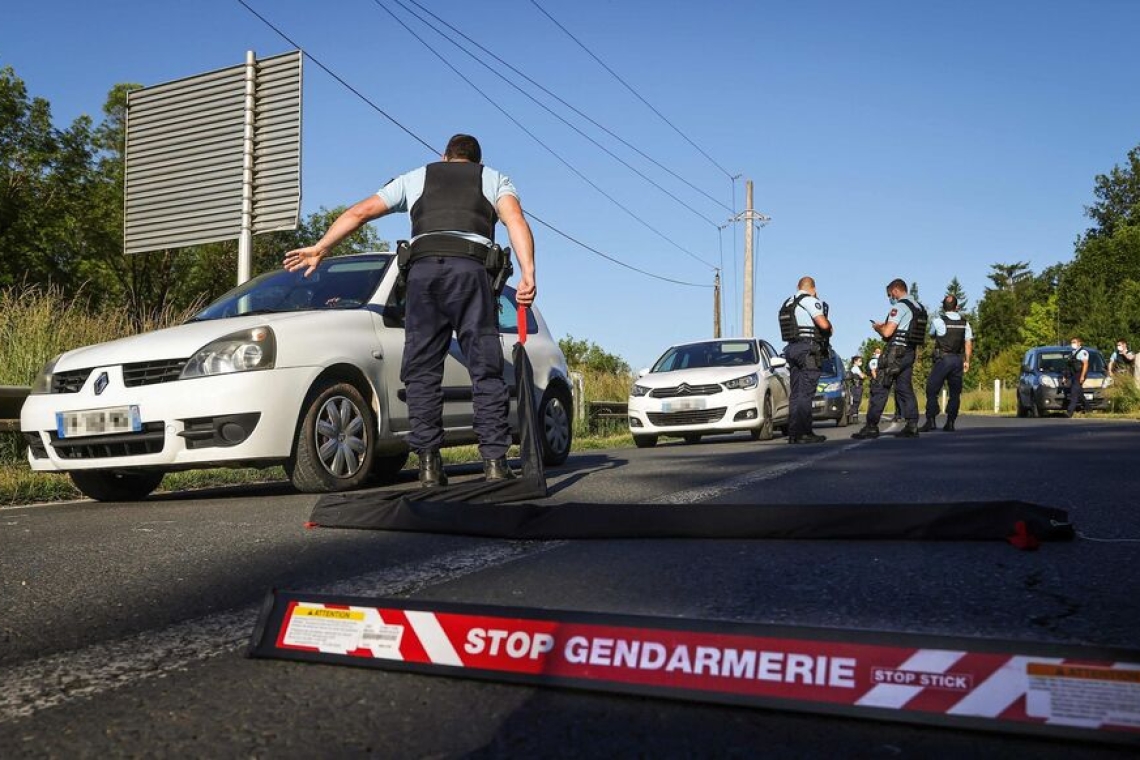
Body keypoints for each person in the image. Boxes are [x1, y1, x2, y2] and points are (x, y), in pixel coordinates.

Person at [284, 134, 536, 488]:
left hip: (424, 274)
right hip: (470, 272)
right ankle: (494, 463)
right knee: (485, 368)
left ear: (444, 157)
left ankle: (430, 467)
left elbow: (361, 212)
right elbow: (515, 221)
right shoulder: (493, 178)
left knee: (421, 372)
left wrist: (321, 247)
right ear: (477, 162)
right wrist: (528, 273)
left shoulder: (417, 177)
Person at [852, 278, 927, 439]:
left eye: (889, 295)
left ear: (895, 290)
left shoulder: (900, 306)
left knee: (881, 386)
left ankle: (871, 426)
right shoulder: (919, 308)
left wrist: (878, 328)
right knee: (904, 387)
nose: (890, 298)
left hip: (895, 352)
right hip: (910, 351)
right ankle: (912, 424)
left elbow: (887, 332)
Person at [778, 276, 832, 444]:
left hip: (792, 348)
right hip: (807, 349)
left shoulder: (788, 302)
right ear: (813, 289)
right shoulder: (810, 300)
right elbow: (823, 325)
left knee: (796, 393)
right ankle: (805, 433)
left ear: (798, 286)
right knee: (806, 393)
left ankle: (794, 433)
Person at [919, 295, 973, 432]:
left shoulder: (938, 321)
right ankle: (950, 422)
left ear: (943, 307)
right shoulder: (965, 323)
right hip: (957, 360)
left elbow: (932, 334)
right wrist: (967, 361)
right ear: (957, 307)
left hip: (942, 359)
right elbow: (968, 343)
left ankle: (931, 420)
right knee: (955, 392)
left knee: (932, 389)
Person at [1066, 336, 1090, 418]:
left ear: (1079, 343)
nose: (1072, 344)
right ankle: (1088, 408)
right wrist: (1065, 376)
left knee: (1074, 392)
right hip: (1074, 374)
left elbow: (1085, 364)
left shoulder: (1083, 352)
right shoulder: (1073, 352)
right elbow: (1069, 366)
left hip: (1080, 374)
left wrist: (1082, 376)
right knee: (1079, 393)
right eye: (1072, 342)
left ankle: (1070, 412)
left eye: (1074, 342)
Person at [848, 355, 865, 423]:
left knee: (855, 402)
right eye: (859, 361)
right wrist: (864, 375)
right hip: (856, 387)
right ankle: (854, 419)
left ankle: (854, 418)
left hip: (856, 387)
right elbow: (862, 376)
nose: (861, 362)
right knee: (856, 402)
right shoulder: (856, 368)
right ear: (855, 361)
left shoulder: (855, 368)